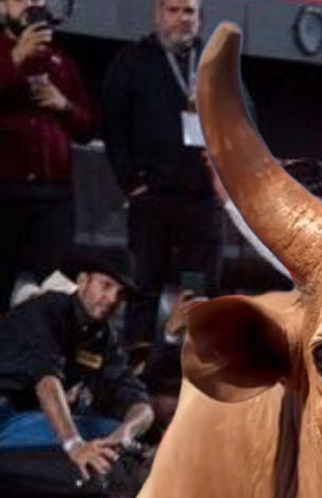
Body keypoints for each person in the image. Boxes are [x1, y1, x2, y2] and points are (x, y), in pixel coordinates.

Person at [0, 246, 154, 494]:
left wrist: (126, 433)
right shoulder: (48, 308)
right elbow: (47, 381)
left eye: (121, 294)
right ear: (82, 280)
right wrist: (75, 445)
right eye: (106, 285)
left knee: (106, 429)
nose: (112, 298)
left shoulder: (105, 339)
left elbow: (140, 402)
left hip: (11, 419)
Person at [102, 0, 224, 349]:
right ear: (158, 15)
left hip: (202, 201)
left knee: (199, 293)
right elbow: (113, 124)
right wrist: (131, 182)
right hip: (152, 198)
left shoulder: (216, 63)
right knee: (143, 288)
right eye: (174, 10)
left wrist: (225, 181)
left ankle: (195, 369)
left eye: (189, 12)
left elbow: (244, 118)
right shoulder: (133, 60)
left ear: (200, 18)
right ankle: (135, 368)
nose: (182, 19)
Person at [0, 0, 97, 313]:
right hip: (2, 189)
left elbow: (88, 127)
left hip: (54, 193)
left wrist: (64, 105)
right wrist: (16, 57)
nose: (33, 5)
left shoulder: (61, 62)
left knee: (56, 286)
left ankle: (46, 343)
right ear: (2, 7)